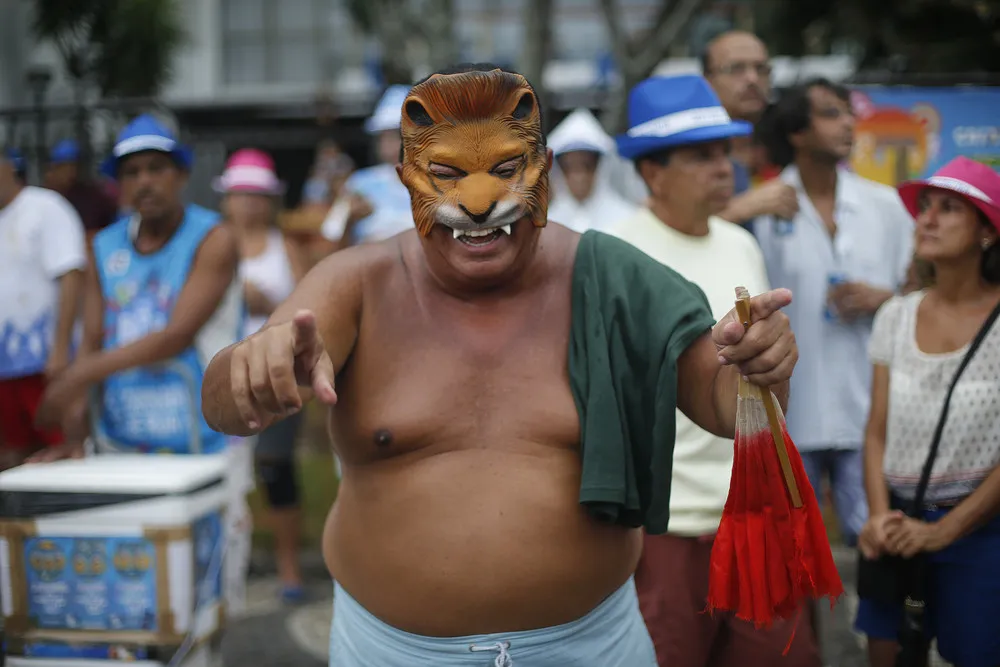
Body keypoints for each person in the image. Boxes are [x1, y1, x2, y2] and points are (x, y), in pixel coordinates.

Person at [201, 62, 801, 667]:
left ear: (543, 166)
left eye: (508, 170)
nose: (481, 202)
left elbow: (725, 401)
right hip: (392, 651)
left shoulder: (613, 275)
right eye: (447, 174)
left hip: (591, 647)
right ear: (406, 178)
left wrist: (759, 368)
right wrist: (251, 368)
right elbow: (225, 402)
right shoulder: (357, 282)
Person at [609, 74, 820, 667]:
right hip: (665, 525)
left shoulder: (740, 244)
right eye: (701, 156)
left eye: (725, 151)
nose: (723, 167)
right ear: (652, 173)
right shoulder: (614, 254)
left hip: (756, 510)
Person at [33, 113, 250, 612]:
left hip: (206, 444)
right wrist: (73, 433)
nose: (144, 182)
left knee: (203, 599)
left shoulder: (213, 237)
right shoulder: (103, 245)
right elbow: (92, 338)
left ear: (180, 173)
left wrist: (75, 376)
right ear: (118, 184)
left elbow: (174, 336)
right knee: (134, 597)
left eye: (156, 168)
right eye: (131, 172)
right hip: (121, 445)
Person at [753, 79, 915, 548]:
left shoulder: (883, 205)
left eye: (848, 112)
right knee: (790, 554)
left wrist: (883, 299)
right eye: (830, 113)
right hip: (789, 412)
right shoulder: (765, 207)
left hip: (869, 410)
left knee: (878, 547)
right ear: (798, 133)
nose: (848, 122)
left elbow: (921, 292)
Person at [856, 156, 1000, 667]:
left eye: (948, 209)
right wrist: (877, 517)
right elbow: (875, 433)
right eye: (924, 208)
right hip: (897, 521)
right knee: (889, 653)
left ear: (987, 232)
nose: (927, 219)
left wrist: (943, 532)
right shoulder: (895, 316)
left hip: (980, 534)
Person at [213, 147, 309, 603]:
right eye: (240, 194)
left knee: (276, 471)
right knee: (219, 472)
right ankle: (221, 560)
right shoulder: (210, 243)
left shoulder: (284, 246)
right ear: (227, 198)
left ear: (269, 200)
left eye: (256, 194)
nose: (248, 203)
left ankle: (289, 569)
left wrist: (265, 303)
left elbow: (309, 309)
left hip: (274, 376)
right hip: (221, 376)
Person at [0, 147, 86, 469]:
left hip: (45, 363)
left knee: (61, 450)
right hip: (4, 368)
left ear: (8, 165)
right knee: (12, 455)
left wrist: (61, 348)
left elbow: (71, 275)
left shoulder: (45, 207)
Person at [703, 30, 799, 232]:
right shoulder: (686, 153)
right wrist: (739, 210)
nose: (752, 79)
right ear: (707, 81)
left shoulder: (794, 140)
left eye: (761, 69)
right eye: (736, 69)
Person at [318, 85, 413, 249]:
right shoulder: (359, 184)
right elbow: (330, 241)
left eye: (396, 135)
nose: (388, 145)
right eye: (383, 137)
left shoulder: (443, 185)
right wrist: (349, 219)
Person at [546, 108, 637, 232]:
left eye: (586, 166)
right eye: (569, 167)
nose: (578, 177)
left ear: (601, 168)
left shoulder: (627, 219)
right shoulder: (547, 223)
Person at [44, 138, 119, 238]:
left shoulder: (93, 198)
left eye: (73, 167)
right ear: (52, 170)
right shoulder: (43, 197)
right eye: (63, 167)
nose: (70, 173)